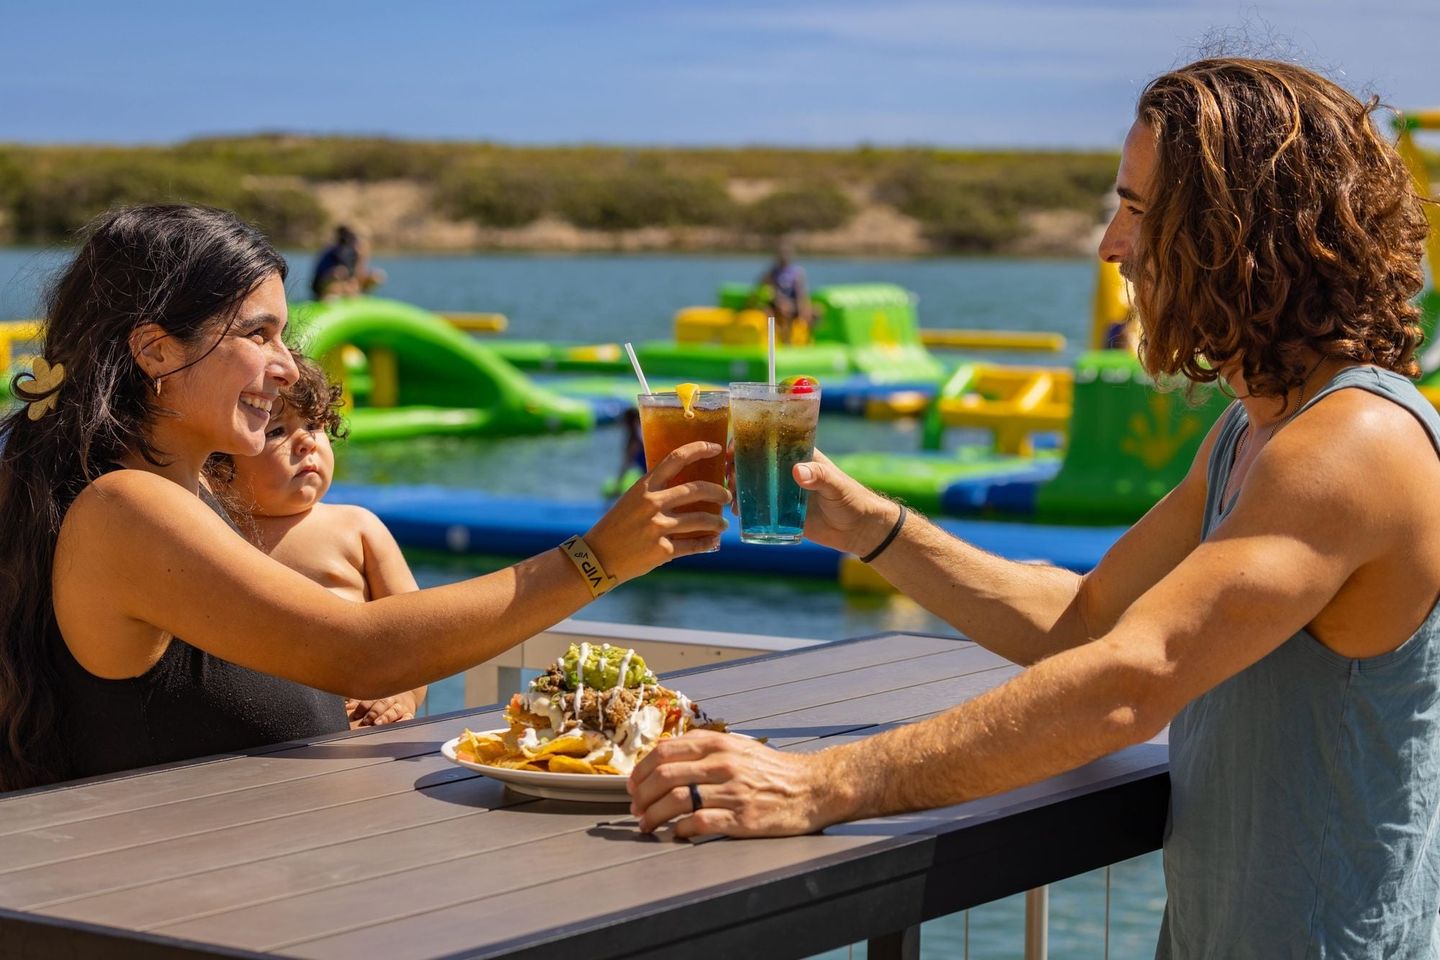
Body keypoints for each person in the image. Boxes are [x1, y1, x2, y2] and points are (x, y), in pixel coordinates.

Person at [630, 58, 1438, 956]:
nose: (1110, 245)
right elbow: (1087, 621)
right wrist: (867, 526)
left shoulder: (1354, 444)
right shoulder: (1254, 435)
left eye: (1137, 210)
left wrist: (819, 785)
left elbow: (1132, 679)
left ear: (1237, 234)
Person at [0, 203, 729, 792]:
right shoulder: (126, 508)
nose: (288, 368)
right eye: (260, 334)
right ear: (156, 350)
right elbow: (357, 649)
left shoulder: (178, 497)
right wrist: (596, 559)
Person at [217, 352, 425, 727]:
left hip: (364, 722)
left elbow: (416, 633)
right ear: (218, 465)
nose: (305, 443)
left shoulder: (357, 527)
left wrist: (401, 697)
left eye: (313, 425)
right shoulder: (214, 532)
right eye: (277, 431)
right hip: (271, 731)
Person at [753, 239, 812, 345]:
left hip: (793, 302)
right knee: (783, 310)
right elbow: (762, 288)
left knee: (815, 312)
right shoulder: (772, 272)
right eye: (781, 253)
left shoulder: (796, 272)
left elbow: (801, 292)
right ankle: (785, 340)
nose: (784, 256)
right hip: (776, 303)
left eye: (786, 253)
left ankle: (807, 340)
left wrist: (803, 307)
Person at [310, 225, 384, 300]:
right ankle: (329, 297)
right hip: (323, 286)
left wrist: (361, 260)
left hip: (345, 285)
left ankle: (357, 296)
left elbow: (356, 275)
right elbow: (339, 274)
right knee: (339, 273)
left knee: (376, 276)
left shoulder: (355, 254)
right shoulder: (338, 252)